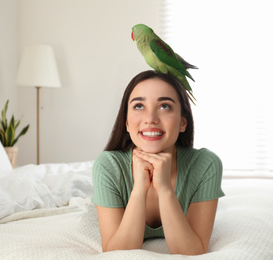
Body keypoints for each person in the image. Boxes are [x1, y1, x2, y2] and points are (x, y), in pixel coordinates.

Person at [92, 70, 224, 255]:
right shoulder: (108, 166)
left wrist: (164, 189)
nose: (150, 119)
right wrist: (139, 189)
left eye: (164, 106)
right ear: (127, 123)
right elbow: (117, 254)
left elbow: (192, 252)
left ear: (182, 123)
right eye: (139, 106)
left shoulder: (206, 165)